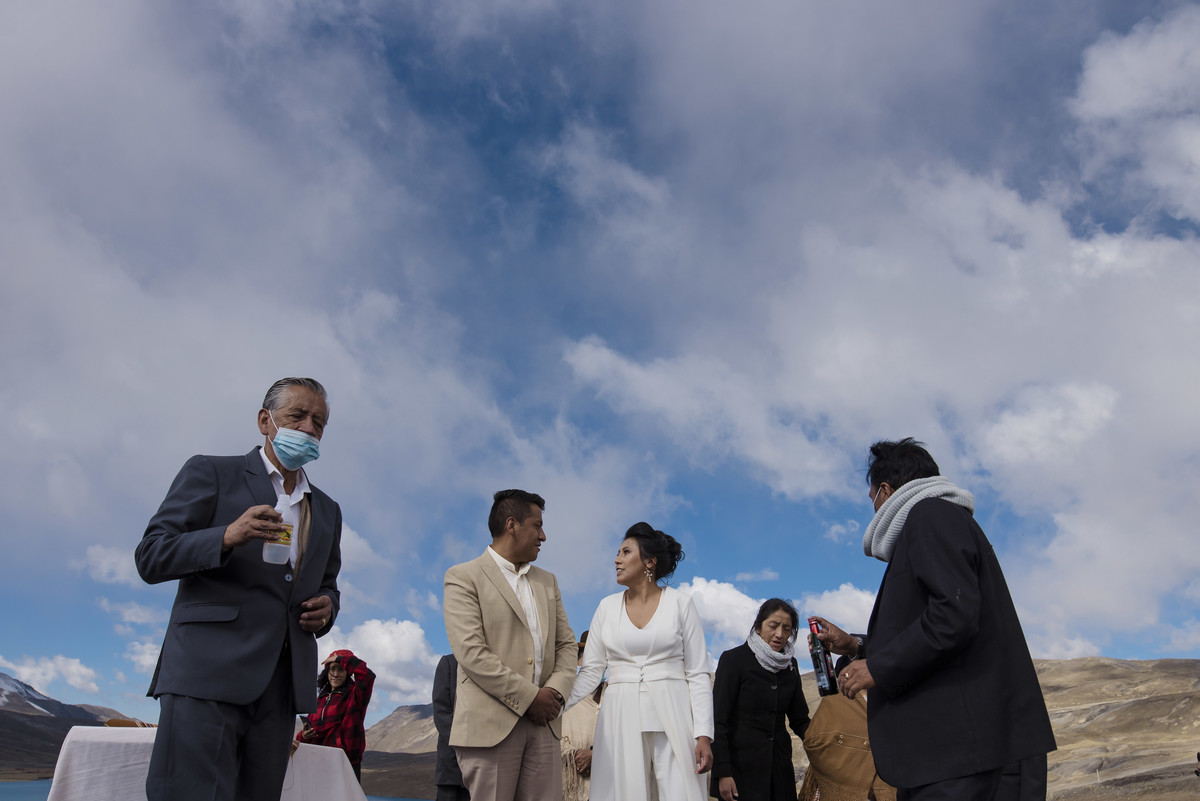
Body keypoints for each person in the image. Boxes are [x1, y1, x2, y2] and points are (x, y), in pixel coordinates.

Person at [811, 438, 1055, 801]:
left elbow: (953, 616)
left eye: (871, 497)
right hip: (951, 757)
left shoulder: (930, 515)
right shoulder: (936, 521)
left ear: (885, 490)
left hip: (960, 754)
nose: (872, 507)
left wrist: (878, 668)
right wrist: (856, 646)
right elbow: (938, 623)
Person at [134, 377, 342, 801]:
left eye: (318, 422)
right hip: (206, 677)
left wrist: (328, 608)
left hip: (281, 688)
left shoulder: (327, 510)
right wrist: (226, 536)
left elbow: (328, 584)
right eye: (297, 416)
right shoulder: (211, 472)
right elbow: (151, 556)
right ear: (265, 421)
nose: (308, 428)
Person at [442, 489, 577, 801]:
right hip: (491, 727)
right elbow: (471, 652)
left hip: (545, 726)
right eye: (537, 526)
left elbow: (567, 645)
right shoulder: (463, 577)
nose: (543, 536)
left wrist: (554, 693)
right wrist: (530, 698)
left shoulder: (548, 581)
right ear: (512, 525)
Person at [566, 522, 714, 801]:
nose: (616, 559)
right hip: (619, 715)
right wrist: (557, 706)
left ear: (649, 561)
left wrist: (704, 735)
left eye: (625, 552)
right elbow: (591, 671)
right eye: (617, 553)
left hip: (675, 712)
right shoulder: (606, 607)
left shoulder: (681, 603)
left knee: (680, 793)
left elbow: (697, 673)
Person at [711, 598, 811, 801]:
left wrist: (824, 745)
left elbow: (800, 719)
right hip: (740, 773)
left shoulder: (790, 666)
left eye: (787, 629)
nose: (779, 634)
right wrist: (722, 771)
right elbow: (718, 720)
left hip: (779, 772)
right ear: (758, 626)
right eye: (773, 626)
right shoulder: (734, 660)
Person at [297, 649, 375, 781]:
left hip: (345, 762)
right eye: (332, 669)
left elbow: (368, 676)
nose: (335, 674)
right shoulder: (319, 700)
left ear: (348, 672)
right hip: (319, 763)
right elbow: (313, 733)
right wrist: (304, 736)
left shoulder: (355, 695)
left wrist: (340, 659)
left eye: (341, 669)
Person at [560, 630, 604, 801]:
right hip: (567, 785)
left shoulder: (614, 697)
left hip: (605, 785)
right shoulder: (563, 695)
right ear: (578, 660)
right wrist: (576, 756)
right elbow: (549, 735)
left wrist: (596, 756)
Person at [433, 653, 471, 801]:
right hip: (451, 769)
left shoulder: (495, 666)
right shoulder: (449, 663)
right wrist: (466, 746)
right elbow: (441, 712)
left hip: (485, 768)